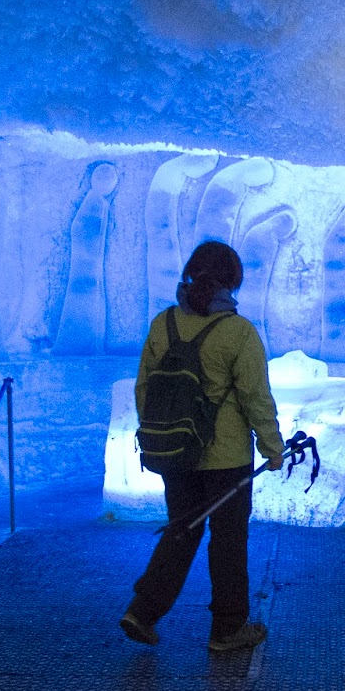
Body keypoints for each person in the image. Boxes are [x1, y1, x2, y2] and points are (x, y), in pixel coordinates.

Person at [121, 240, 285, 653]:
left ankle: (143, 611)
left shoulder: (163, 324)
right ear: (232, 281)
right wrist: (273, 447)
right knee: (228, 541)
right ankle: (227, 629)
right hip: (225, 458)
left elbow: (144, 388)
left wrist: (161, 435)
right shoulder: (238, 332)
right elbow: (255, 397)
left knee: (181, 530)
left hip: (176, 454)